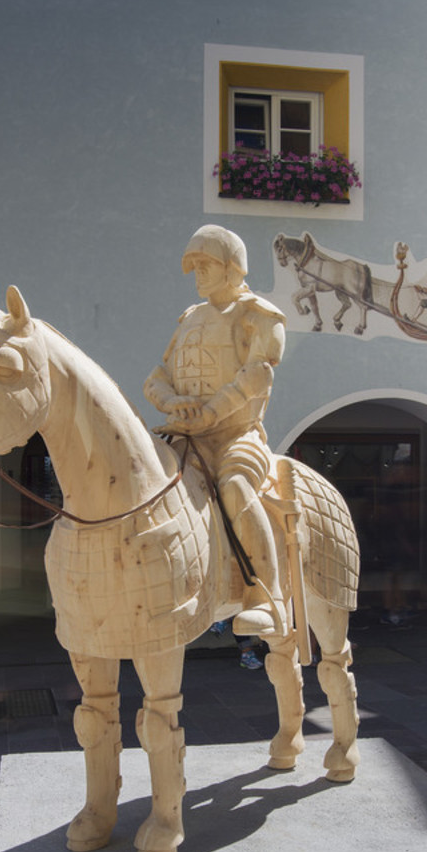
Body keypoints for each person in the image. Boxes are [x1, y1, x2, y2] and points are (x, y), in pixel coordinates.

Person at [144, 224, 287, 637]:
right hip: (184, 436)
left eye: (205, 264)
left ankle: (267, 596)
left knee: (236, 489)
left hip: (236, 438)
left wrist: (211, 413)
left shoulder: (259, 316)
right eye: (194, 267)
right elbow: (156, 377)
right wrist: (172, 403)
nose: (198, 274)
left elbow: (257, 376)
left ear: (232, 267)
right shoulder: (190, 319)